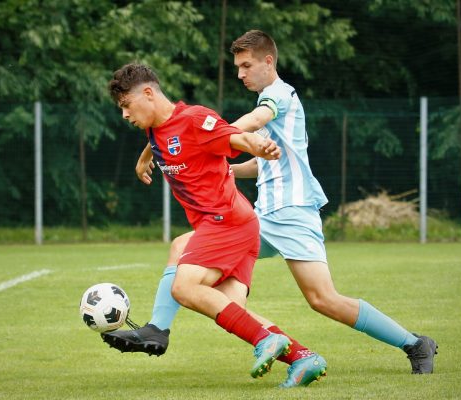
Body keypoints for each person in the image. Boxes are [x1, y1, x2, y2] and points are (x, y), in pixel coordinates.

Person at [102, 31, 438, 381]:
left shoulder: (279, 94)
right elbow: (247, 162)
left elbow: (252, 122)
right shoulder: (197, 119)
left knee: (323, 299)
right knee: (206, 278)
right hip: (262, 215)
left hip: (292, 211)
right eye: (237, 67)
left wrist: (225, 136)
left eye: (246, 65)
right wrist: (205, 160)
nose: (240, 73)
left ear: (268, 61)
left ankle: (415, 343)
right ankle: (291, 354)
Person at [106, 62, 327, 386]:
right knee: (230, 308)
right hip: (236, 224)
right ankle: (303, 358)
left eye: (126, 105)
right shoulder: (156, 128)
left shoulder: (195, 119)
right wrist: (143, 161)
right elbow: (158, 141)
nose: (124, 115)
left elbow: (234, 136)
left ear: (149, 93)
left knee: (184, 286)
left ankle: (170, 331)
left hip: (226, 223)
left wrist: (259, 146)